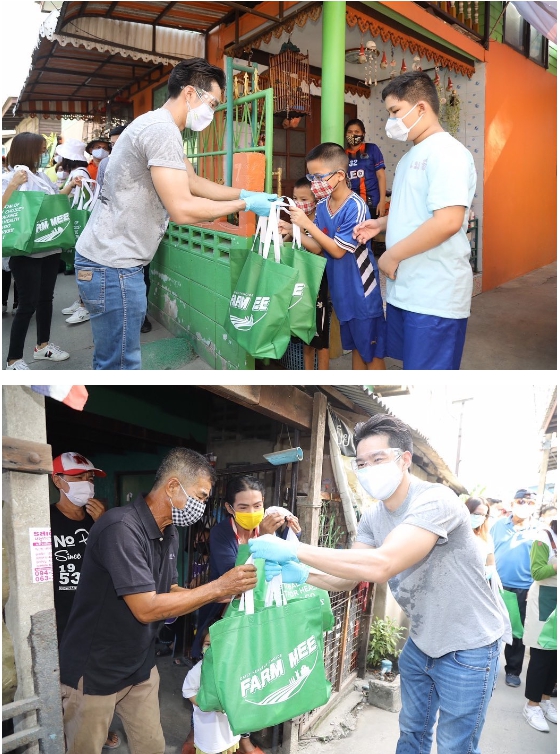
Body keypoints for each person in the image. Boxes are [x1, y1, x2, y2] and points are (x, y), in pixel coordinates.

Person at [249, 414, 506, 754]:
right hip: (421, 644)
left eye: (378, 459)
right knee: (411, 735)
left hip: (469, 647)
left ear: (404, 460)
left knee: (454, 747)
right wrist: (300, 573)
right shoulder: (373, 516)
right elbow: (348, 576)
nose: (368, 468)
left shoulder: (436, 499)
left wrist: (295, 549)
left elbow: (383, 564)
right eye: (361, 463)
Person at [74, 57, 276, 370]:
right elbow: (182, 209)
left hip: (108, 260)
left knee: (115, 362)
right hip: (112, 265)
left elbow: (192, 183)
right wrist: (245, 206)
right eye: (213, 103)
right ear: (190, 93)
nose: (214, 111)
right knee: (118, 367)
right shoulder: (161, 130)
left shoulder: (160, 127)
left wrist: (245, 193)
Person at [58, 447, 257, 754]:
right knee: (84, 749)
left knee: (152, 746)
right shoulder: (120, 528)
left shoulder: (169, 531)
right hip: (95, 669)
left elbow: (169, 590)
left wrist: (223, 591)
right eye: (201, 496)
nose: (202, 506)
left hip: (139, 666)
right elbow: (147, 608)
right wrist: (217, 587)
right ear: (174, 487)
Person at [353, 71, 477, 370]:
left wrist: (392, 255)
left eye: (395, 111)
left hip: (435, 294)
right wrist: (381, 225)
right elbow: (416, 211)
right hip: (406, 291)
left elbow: (448, 221)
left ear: (421, 108)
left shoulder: (449, 153)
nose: (390, 121)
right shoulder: (411, 156)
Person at [184, 476, 299, 754]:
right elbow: (234, 577)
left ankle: (242, 737)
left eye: (257, 505)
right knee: (211, 679)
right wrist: (264, 536)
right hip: (220, 619)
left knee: (247, 679)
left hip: (257, 621)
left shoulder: (273, 528)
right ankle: (197, 734)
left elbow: (290, 562)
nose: (252, 512)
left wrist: (292, 530)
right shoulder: (222, 533)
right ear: (229, 508)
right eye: (244, 507)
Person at [284, 143, 386, 371]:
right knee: (357, 348)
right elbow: (319, 247)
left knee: (371, 352)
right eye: (311, 177)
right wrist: (294, 231)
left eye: (319, 177)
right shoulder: (322, 207)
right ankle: (361, 399)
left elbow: (337, 250)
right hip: (340, 292)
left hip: (362, 292)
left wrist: (306, 223)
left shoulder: (356, 206)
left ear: (340, 175)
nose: (314, 184)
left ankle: (379, 400)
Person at [50, 452, 120, 751]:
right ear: (58, 481)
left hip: (97, 617)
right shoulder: (45, 520)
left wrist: (105, 523)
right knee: (62, 685)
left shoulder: (100, 520)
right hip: (60, 619)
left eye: (90, 478)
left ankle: (97, 728)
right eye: (78, 477)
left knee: (97, 680)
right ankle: (63, 735)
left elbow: (118, 562)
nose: (87, 484)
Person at [2, 133, 78, 369]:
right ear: (28, 150)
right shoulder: (8, 177)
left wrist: (70, 187)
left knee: (46, 300)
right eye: (41, 149)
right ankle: (13, 359)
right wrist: (14, 184)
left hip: (49, 246)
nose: (44, 153)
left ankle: (43, 347)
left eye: (46, 149)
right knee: (27, 304)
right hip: (26, 252)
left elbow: (53, 204)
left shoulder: (42, 176)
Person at [491, 488, 539, 687]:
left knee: (517, 633)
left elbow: (540, 562)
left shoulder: (538, 531)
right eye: (521, 501)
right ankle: (488, 667)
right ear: (513, 503)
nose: (524, 506)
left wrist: (533, 586)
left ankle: (512, 670)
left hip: (523, 588)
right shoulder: (497, 526)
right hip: (496, 585)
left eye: (530, 503)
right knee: (490, 627)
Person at [283, 177, 330, 370]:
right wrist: (285, 231)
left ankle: (324, 380)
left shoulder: (319, 220)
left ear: (316, 200)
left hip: (318, 283)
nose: (299, 203)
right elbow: (287, 241)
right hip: (302, 282)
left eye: (303, 199)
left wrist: (295, 231)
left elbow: (317, 248)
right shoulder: (298, 222)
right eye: (295, 198)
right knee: (305, 333)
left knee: (320, 337)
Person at [522, 515, 557, 731]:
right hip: (545, 600)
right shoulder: (544, 538)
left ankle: (545, 700)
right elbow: (536, 572)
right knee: (542, 655)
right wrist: (555, 566)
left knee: (555, 656)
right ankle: (532, 704)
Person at [182, 625, 240, 754]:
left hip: (227, 722)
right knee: (210, 747)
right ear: (201, 647)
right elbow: (188, 690)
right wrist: (204, 704)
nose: (212, 649)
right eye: (208, 644)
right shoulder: (198, 670)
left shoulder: (231, 667)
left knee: (228, 745)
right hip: (207, 724)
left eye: (217, 644)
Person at [56, 139, 94, 323]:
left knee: (82, 264)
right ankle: (81, 301)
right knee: (80, 263)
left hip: (80, 224)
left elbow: (63, 197)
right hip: (83, 223)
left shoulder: (77, 173)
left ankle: (84, 305)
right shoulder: (81, 171)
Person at [344, 118, 386, 219]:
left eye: (357, 132)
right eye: (350, 132)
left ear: (363, 134)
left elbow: (381, 176)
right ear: (345, 134)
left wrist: (382, 201)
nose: (353, 134)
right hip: (351, 204)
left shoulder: (372, 149)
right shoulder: (343, 155)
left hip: (372, 203)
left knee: (369, 232)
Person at [465, 496, 496, 577]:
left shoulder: (486, 538)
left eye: (484, 515)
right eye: (477, 514)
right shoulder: (452, 534)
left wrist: (487, 572)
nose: (480, 518)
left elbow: (490, 563)